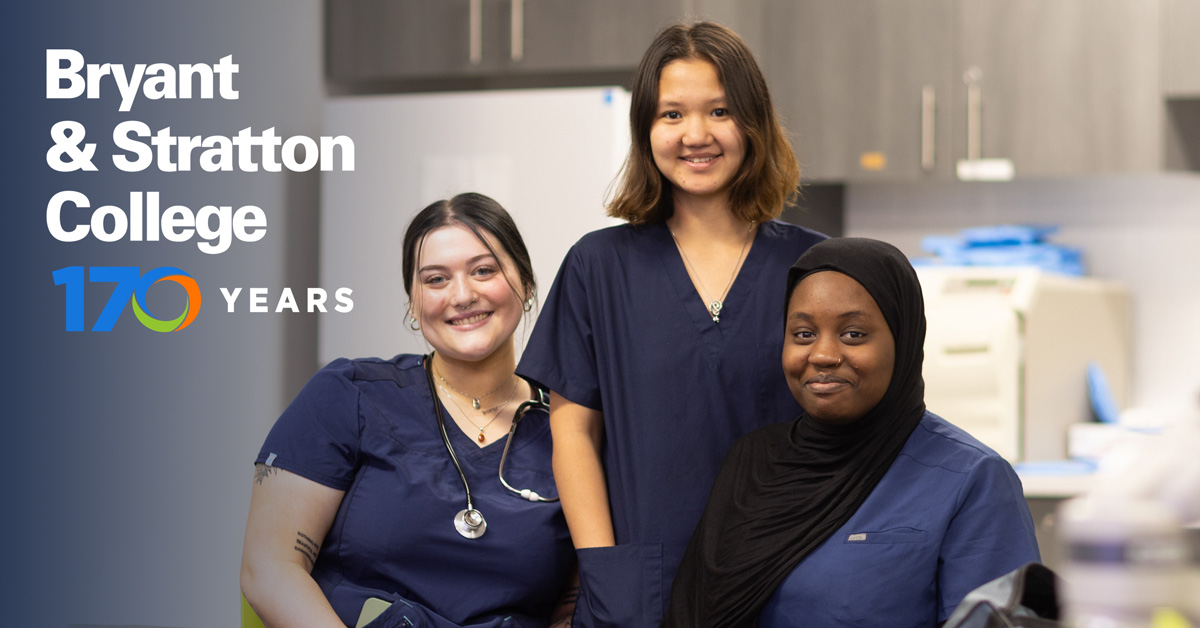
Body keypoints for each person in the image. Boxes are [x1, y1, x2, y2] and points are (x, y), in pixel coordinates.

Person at [516, 22, 826, 628]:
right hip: (640, 588)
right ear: (646, 131)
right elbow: (573, 435)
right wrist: (605, 573)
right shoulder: (598, 266)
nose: (696, 135)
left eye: (719, 111)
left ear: (754, 125)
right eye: (671, 115)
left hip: (790, 574)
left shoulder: (815, 268)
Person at [662, 237, 1041, 628]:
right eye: (804, 334)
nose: (823, 355)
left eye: (853, 334)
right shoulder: (754, 463)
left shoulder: (972, 479)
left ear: (904, 340)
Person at [241, 193, 576, 628]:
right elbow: (269, 569)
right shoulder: (349, 395)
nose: (463, 295)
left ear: (526, 284)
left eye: (484, 270)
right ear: (414, 304)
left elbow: (571, 608)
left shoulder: (570, 426)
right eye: (436, 280)